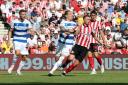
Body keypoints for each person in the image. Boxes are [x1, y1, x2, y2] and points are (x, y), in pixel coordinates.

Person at [48, 10, 77, 76]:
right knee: (57, 56)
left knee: (62, 57)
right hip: (61, 42)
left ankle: (51, 72)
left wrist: (74, 31)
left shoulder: (74, 23)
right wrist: (67, 30)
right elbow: (62, 28)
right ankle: (59, 65)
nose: (72, 15)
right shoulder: (63, 22)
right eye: (70, 14)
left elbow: (76, 32)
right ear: (66, 15)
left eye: (72, 14)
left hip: (68, 44)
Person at [7, 9, 33, 75]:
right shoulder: (14, 22)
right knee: (17, 53)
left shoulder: (27, 22)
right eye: (22, 14)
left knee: (24, 57)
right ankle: (12, 66)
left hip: (24, 40)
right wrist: (8, 40)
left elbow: (31, 30)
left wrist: (32, 32)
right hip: (16, 39)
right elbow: (10, 31)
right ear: (19, 15)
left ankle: (18, 70)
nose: (24, 16)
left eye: (25, 14)